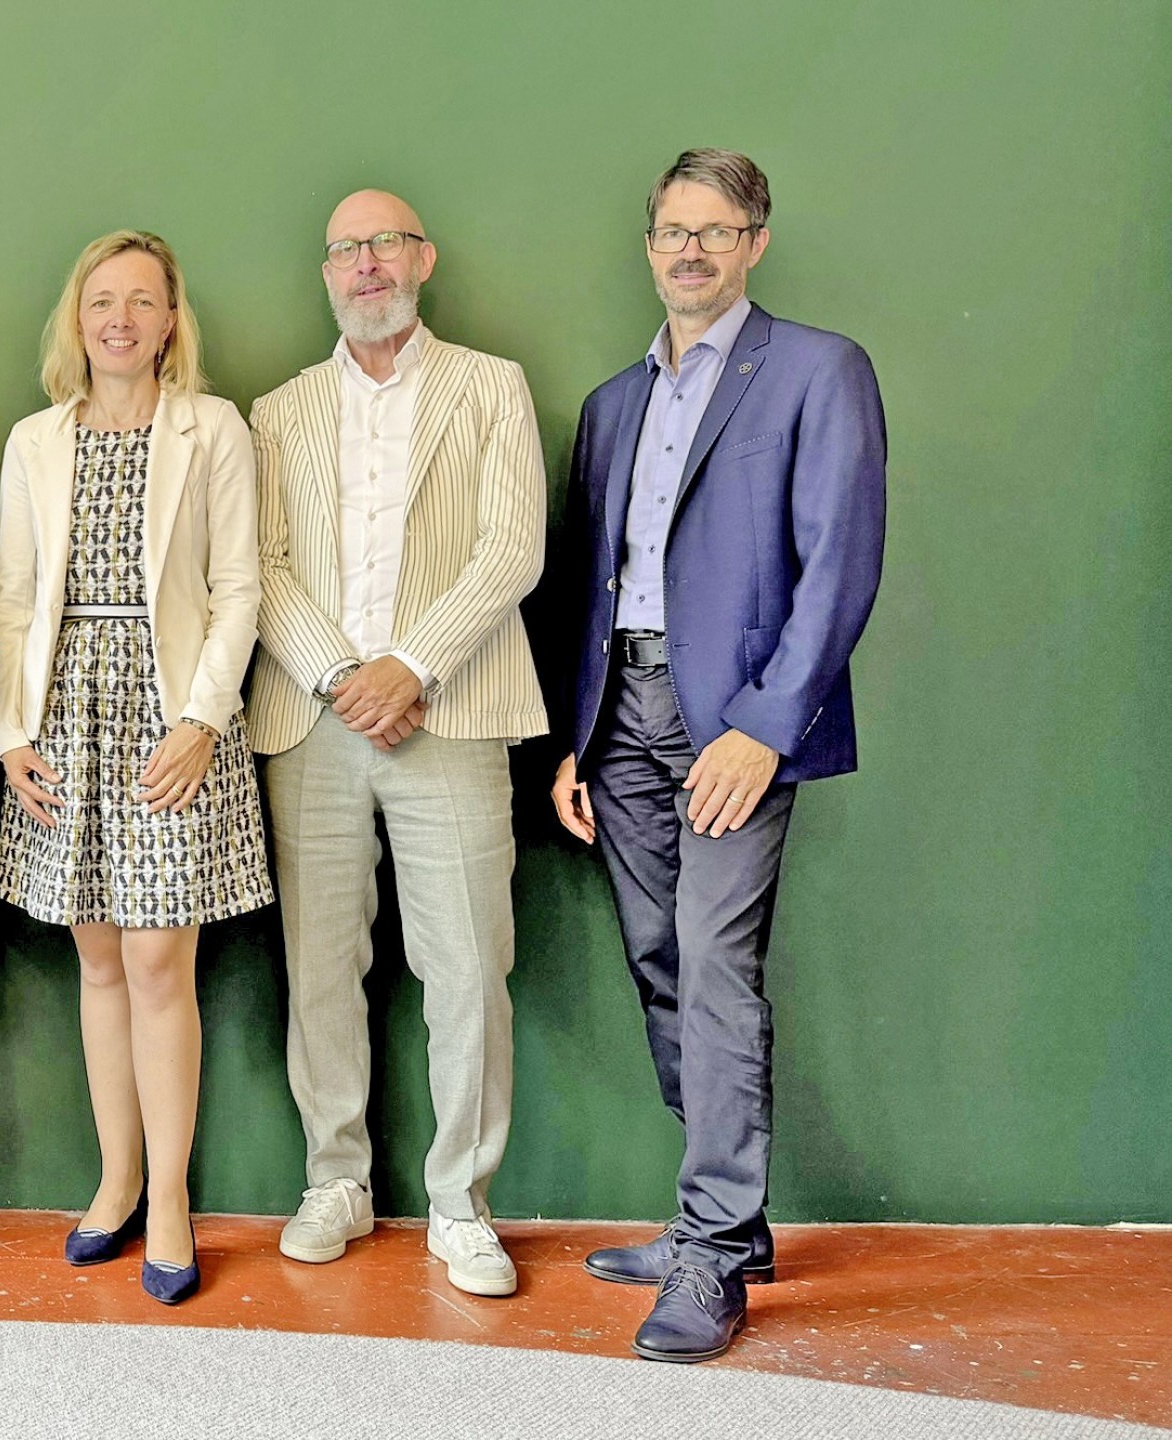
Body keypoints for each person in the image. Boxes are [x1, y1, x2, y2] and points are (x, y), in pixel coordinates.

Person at [549, 148, 886, 1362]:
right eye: (670, 231)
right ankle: (725, 1225)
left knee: (714, 967)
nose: (688, 249)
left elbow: (839, 561)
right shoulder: (611, 405)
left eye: (714, 229)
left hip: (733, 720)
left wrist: (761, 724)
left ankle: (709, 1251)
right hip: (620, 719)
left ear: (753, 242)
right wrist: (575, 737)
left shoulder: (813, 371)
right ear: (649, 247)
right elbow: (597, 588)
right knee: (655, 958)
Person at [248, 189, 548, 1299]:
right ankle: (337, 1179)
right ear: (325, 273)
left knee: (470, 965)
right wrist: (341, 674)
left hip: (452, 711)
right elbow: (261, 565)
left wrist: (408, 667)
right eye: (343, 248)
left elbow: (511, 548)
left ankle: (461, 1205)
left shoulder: (490, 386)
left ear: (421, 257)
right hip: (313, 721)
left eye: (383, 243)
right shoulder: (275, 413)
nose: (364, 264)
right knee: (321, 965)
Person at [0, 230, 267, 1305]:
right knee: (96, 961)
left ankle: (168, 1200)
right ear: (79, 319)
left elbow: (238, 589)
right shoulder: (34, 440)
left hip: (169, 723)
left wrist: (201, 718)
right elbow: (14, 601)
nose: (118, 318)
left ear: (168, 321)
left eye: (140, 301)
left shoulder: (214, 430)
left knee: (160, 964)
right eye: (100, 300)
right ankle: (113, 1180)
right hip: (64, 720)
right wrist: (13, 732)